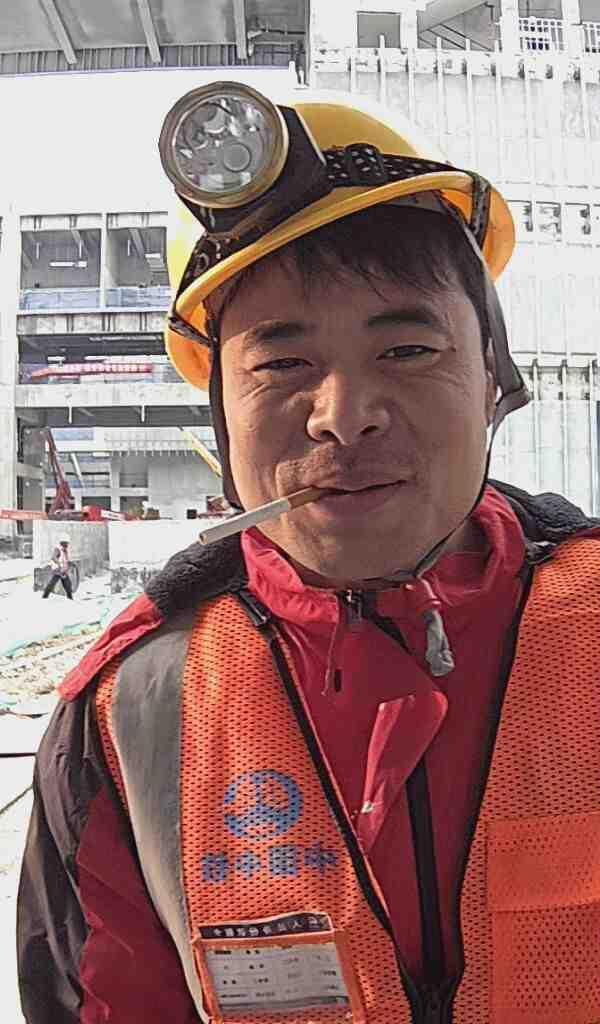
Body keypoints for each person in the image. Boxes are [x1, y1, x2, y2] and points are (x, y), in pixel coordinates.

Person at [17, 84, 600, 1024]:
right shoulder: (133, 714)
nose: (344, 415)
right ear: (220, 412)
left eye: (408, 350)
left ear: (494, 376)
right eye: (282, 365)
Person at [41, 535, 73, 599]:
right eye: (66, 543)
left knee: (68, 584)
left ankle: (70, 598)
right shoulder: (58, 549)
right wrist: (59, 564)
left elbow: (64, 559)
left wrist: (68, 564)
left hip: (63, 570)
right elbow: (53, 557)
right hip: (58, 570)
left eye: (67, 543)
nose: (67, 544)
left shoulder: (64, 550)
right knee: (52, 584)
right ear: (63, 543)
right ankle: (44, 596)